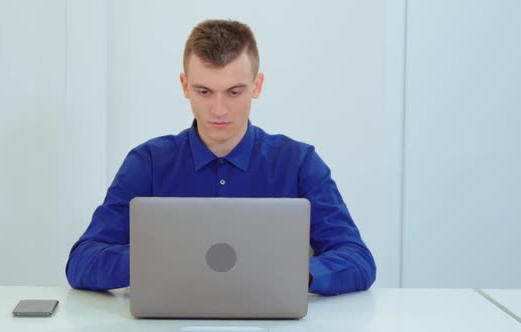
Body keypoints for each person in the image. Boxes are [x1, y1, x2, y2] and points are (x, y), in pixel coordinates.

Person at [66, 19, 376, 296]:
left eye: (234, 92)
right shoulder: (147, 162)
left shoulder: (299, 163)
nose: (218, 110)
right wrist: (158, 261)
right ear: (185, 86)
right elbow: (82, 262)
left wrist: (292, 275)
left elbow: (357, 259)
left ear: (257, 86)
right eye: (204, 92)